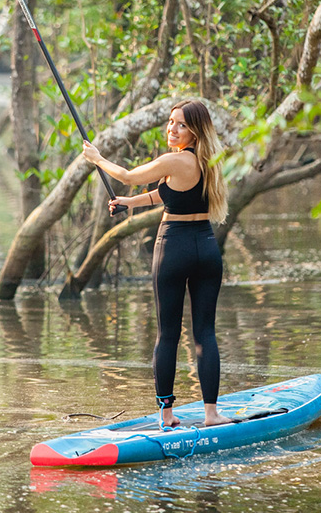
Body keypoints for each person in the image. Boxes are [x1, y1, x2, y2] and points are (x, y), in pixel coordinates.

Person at [82, 100, 231, 427]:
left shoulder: (172, 160)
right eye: (170, 122)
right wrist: (128, 202)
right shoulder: (209, 161)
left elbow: (128, 175)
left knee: (167, 335)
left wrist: (97, 158)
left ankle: (167, 414)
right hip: (206, 247)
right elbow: (166, 195)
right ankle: (211, 414)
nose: (171, 129)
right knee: (205, 333)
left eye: (180, 125)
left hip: (174, 247)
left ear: (195, 131)